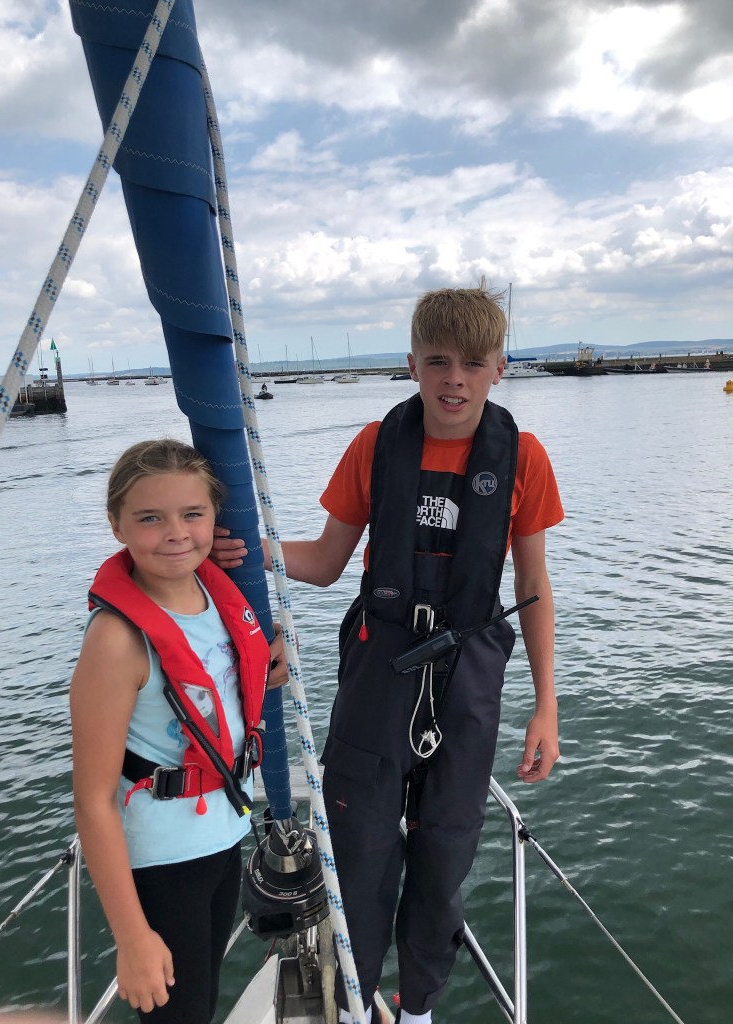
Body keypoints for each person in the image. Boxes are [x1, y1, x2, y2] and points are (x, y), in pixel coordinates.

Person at [214, 286, 564, 1024]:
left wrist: (546, 706)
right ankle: (353, 1002)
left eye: (472, 364)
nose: (454, 380)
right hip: (380, 670)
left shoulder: (524, 458)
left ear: (499, 368)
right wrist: (250, 552)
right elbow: (326, 562)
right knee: (360, 846)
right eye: (437, 362)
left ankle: (417, 1009)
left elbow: (532, 586)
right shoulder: (376, 446)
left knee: (446, 851)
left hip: (468, 676)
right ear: (411, 364)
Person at [70, 439, 287, 1023]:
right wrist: (132, 937)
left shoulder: (216, 594)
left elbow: (219, 680)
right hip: (163, 863)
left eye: (192, 514)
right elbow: (92, 800)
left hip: (225, 836)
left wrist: (265, 662)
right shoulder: (116, 640)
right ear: (116, 525)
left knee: (202, 1001)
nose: (175, 534)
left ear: (215, 519)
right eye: (150, 518)